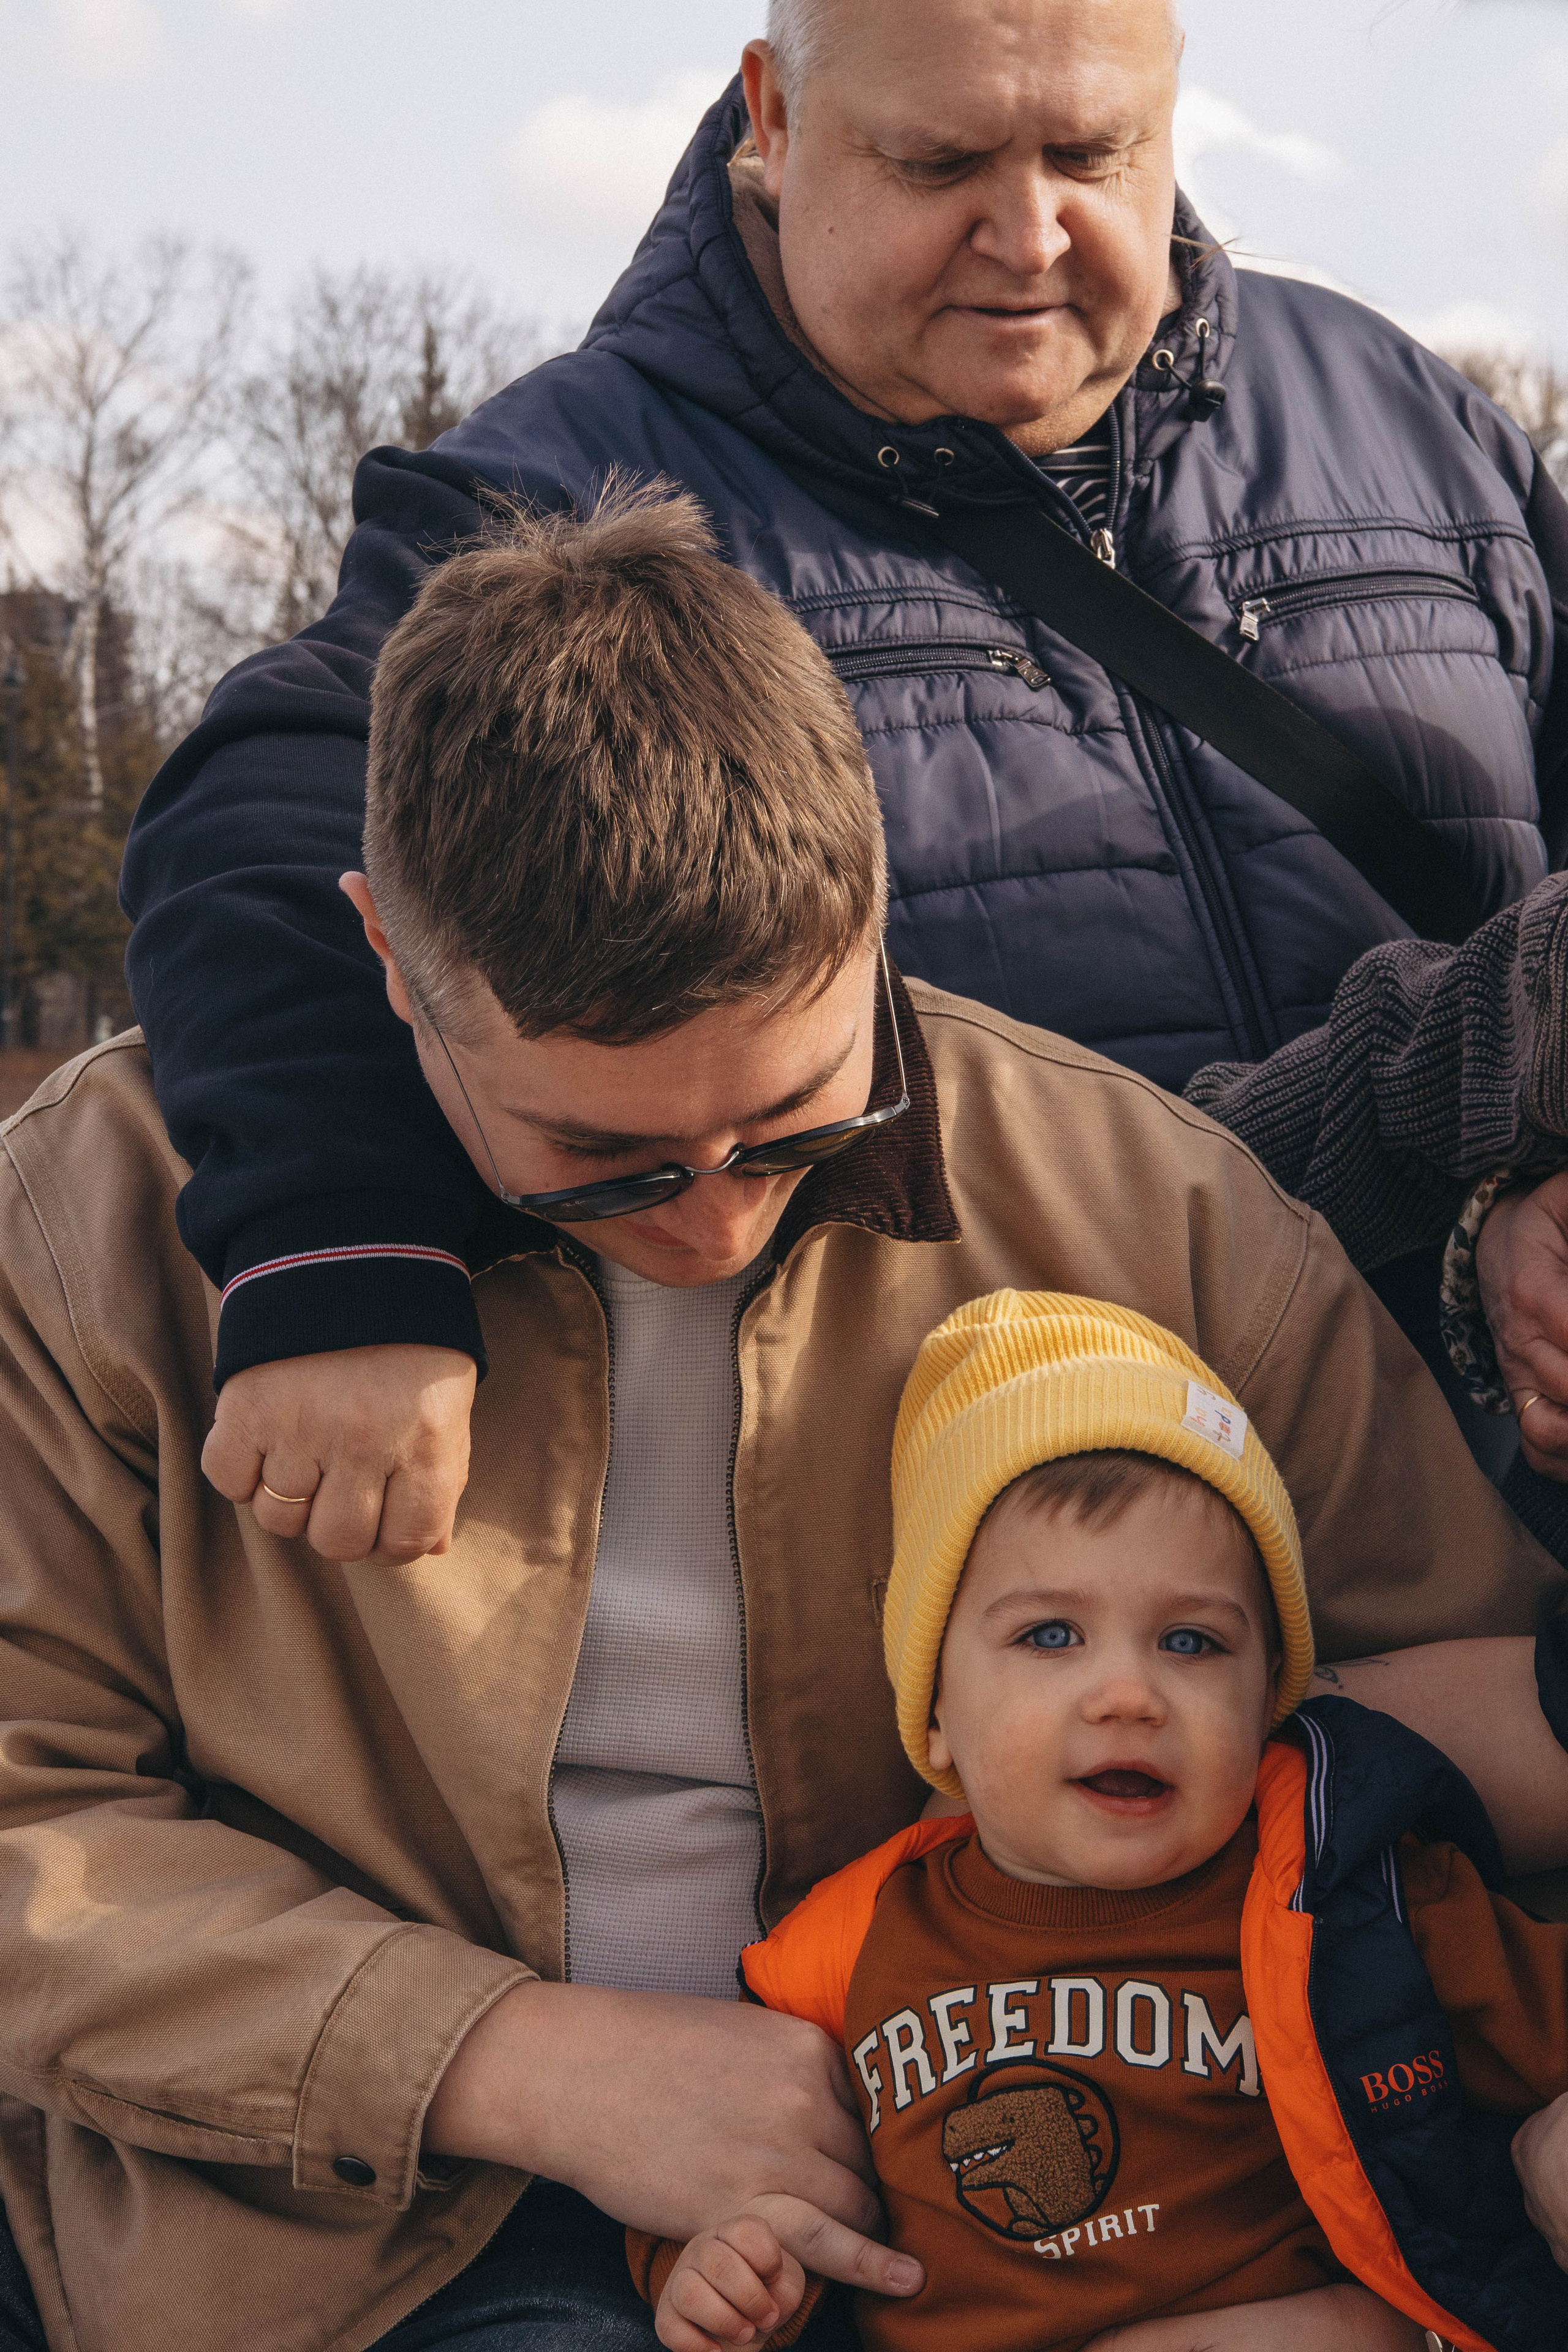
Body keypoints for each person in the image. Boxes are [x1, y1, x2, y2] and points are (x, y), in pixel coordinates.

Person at [0, 490, 1557, 2352]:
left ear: (878, 893)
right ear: (391, 964)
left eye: (806, 1118)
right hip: (374, 2234)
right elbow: (36, 1828)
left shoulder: (1155, 1211)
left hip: (1084, 2214)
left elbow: (1437, 1717)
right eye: (603, 1159)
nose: (717, 1219)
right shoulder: (91, 1229)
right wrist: (507, 2059)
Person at [120, 0, 1568, 1570]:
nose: (1028, 233)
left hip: (1458, 1530)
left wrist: (1530, 1180)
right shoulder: (554, 503)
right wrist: (342, 1252)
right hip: (980, 1565)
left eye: (1091, 152)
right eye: (939, 163)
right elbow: (263, 829)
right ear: (773, 116)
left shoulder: (1410, 417)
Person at [648, 1295, 1568, 2352]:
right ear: (935, 1713)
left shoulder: (1353, 1889)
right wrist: (717, 2266)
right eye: (1051, 1636)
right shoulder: (844, 1945)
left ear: (1269, 1698)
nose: (1129, 1695)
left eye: (1192, 1643)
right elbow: (726, 2157)